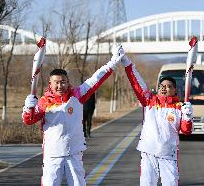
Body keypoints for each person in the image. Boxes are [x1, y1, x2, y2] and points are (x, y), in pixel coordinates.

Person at [21, 45, 123, 186]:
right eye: (56, 83)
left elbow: (96, 79)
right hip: (53, 154)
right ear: (50, 84)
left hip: (74, 152)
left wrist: (113, 62)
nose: (60, 86)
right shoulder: (43, 102)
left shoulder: (77, 95)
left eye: (63, 82)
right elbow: (28, 120)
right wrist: (28, 107)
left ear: (68, 82)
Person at [120, 47, 193, 186]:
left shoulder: (180, 107)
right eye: (162, 85)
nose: (165, 87)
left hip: (168, 154)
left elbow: (186, 130)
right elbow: (136, 82)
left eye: (169, 86)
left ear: (175, 90)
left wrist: (188, 116)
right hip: (148, 153)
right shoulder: (149, 101)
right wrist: (126, 62)